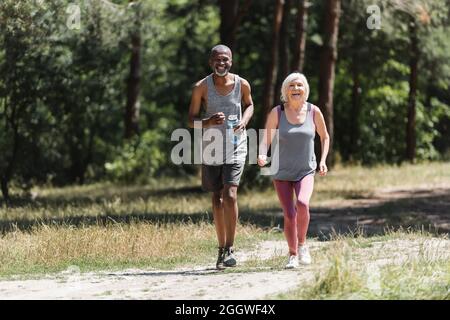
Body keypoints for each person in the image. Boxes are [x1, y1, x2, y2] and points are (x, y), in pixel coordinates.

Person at [188, 45, 254, 269]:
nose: (221, 63)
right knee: (216, 198)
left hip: (236, 145)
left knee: (231, 194)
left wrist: (244, 121)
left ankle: (230, 248)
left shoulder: (242, 84)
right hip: (212, 146)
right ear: (211, 62)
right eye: (217, 59)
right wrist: (208, 122)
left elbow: (250, 105)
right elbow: (190, 120)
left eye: (225, 59)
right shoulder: (201, 87)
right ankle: (221, 248)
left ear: (231, 61)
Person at [258, 72, 329, 269]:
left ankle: (303, 244)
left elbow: (325, 137)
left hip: (305, 169)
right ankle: (292, 254)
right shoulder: (277, 112)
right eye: (291, 86)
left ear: (305, 90)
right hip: (281, 172)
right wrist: (262, 154)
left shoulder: (314, 111)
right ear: (285, 91)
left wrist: (322, 161)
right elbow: (266, 140)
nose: (295, 89)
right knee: (289, 214)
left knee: (303, 203)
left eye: (299, 85)